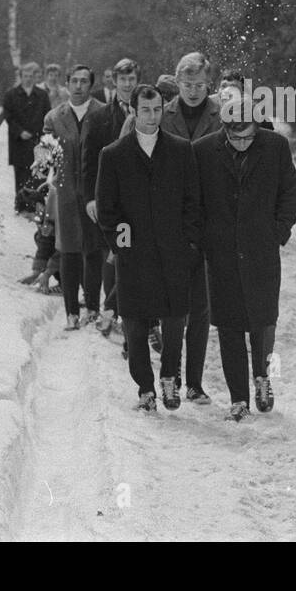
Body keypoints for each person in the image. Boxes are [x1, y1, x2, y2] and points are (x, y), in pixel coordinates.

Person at [96, 84, 202, 411]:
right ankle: (145, 388)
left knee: (174, 320)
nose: (152, 116)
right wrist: (122, 242)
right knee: (136, 324)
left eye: (157, 110)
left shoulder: (181, 150)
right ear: (133, 110)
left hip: (173, 254)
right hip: (134, 256)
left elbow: (192, 201)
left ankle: (170, 377)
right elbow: (107, 208)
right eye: (145, 110)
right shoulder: (113, 155)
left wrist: (187, 241)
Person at [194, 100, 296, 421]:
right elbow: (194, 201)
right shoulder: (202, 151)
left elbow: (289, 192)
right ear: (224, 129)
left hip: (261, 250)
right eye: (234, 138)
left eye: (248, 137)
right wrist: (203, 240)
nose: (241, 143)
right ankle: (238, 399)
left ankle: (263, 379)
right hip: (221, 253)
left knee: (263, 321)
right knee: (228, 326)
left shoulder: (276, 147)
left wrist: (278, 231)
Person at [159, 52, 223, 403]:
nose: (194, 91)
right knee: (173, 305)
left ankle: (195, 383)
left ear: (208, 85)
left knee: (201, 307)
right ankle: (169, 376)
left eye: (200, 85)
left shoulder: (221, 112)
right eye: (187, 85)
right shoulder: (163, 113)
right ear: (177, 83)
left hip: (210, 218)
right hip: (172, 217)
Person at [42, 64, 106, 329]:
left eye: (84, 81)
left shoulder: (103, 113)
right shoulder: (55, 117)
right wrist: (43, 154)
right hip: (66, 190)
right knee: (68, 250)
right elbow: (45, 147)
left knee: (93, 250)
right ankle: (71, 312)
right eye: (74, 81)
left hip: (94, 191)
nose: (79, 86)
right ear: (67, 84)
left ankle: (92, 307)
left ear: (91, 85)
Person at [83, 58, 139, 335]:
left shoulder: (149, 112)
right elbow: (88, 162)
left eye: (132, 79)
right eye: (123, 79)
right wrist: (90, 199)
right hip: (109, 197)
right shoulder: (99, 117)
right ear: (113, 82)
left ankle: (117, 310)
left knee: (130, 255)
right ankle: (110, 311)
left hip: (138, 199)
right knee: (111, 253)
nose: (127, 84)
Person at [0, 62, 50, 213]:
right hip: (18, 140)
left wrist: (40, 133)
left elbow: (47, 116)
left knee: (38, 173)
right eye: (25, 76)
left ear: (35, 77)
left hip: (37, 140)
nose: (28, 79)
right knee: (20, 173)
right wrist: (19, 132)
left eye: (31, 76)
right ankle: (20, 204)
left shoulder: (42, 95)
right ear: (20, 77)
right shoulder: (11, 95)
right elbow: (8, 116)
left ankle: (35, 205)